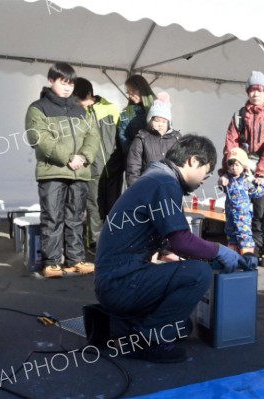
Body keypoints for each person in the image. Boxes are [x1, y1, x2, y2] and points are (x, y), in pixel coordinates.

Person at [94, 135, 256, 363]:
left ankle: (133, 324)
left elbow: (162, 243)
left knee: (181, 326)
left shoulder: (154, 178)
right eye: (206, 172)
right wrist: (219, 251)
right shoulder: (164, 183)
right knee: (199, 274)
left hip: (115, 280)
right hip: (119, 284)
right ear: (192, 161)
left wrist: (174, 257)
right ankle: (145, 340)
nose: (204, 180)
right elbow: (180, 239)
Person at [25, 62, 99, 278]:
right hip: (53, 172)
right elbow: (37, 137)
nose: (68, 87)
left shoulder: (81, 110)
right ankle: (52, 262)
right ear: (51, 81)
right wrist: (67, 158)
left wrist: (84, 157)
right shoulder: (37, 108)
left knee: (76, 217)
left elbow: (92, 136)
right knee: (52, 216)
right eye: (63, 82)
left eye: (71, 83)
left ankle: (76, 259)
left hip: (80, 172)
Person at [218, 71, 264, 256]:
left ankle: (256, 247)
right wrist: (226, 171)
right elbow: (230, 142)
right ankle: (236, 245)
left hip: (261, 170)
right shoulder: (238, 115)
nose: (256, 94)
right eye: (252, 90)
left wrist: (262, 173)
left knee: (260, 211)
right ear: (247, 92)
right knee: (235, 208)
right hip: (240, 169)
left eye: (260, 90)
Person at [73, 77, 121, 251]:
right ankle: (95, 244)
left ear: (90, 94)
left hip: (114, 168)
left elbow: (120, 137)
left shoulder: (111, 109)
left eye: (80, 99)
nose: (79, 103)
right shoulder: (76, 113)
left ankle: (116, 242)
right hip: (91, 169)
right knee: (93, 206)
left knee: (116, 207)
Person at [126, 92, 181, 186]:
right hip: (147, 186)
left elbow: (181, 164)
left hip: (170, 186)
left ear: (169, 123)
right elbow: (133, 168)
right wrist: (135, 190)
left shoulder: (176, 138)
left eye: (164, 121)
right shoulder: (142, 138)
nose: (160, 124)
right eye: (157, 121)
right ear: (150, 120)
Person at [222, 147, 264, 255]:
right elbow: (221, 183)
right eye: (231, 165)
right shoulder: (227, 179)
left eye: (237, 165)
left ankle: (248, 258)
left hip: (243, 216)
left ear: (243, 166)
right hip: (230, 216)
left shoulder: (247, 180)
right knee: (230, 235)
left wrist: (261, 183)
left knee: (244, 235)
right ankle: (232, 257)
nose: (234, 168)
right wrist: (222, 179)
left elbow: (259, 192)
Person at [118, 75, 155, 157]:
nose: (131, 95)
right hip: (136, 159)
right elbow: (123, 137)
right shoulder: (127, 112)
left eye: (134, 91)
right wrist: (135, 153)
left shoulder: (158, 107)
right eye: (128, 92)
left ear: (142, 88)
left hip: (156, 157)